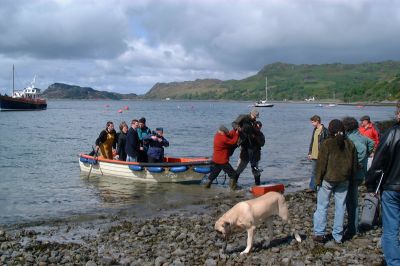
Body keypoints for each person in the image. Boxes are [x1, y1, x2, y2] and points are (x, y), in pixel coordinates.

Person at [365, 105, 400, 266]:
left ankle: (394, 263)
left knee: (391, 230)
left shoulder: (392, 133)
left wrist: (371, 186)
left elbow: (378, 163)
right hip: (392, 186)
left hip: (393, 187)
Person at [313, 119, 358, 244]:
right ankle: (338, 236)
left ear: (331, 130)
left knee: (322, 206)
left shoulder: (327, 143)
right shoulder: (350, 144)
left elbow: (321, 165)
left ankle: (319, 233)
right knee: (340, 207)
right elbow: (354, 165)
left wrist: (317, 181)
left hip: (328, 179)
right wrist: (353, 178)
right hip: (344, 180)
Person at [342, 116, 375, 238]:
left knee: (351, 202)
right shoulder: (361, 135)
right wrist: (366, 156)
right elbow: (371, 143)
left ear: (347, 127)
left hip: (353, 174)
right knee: (351, 200)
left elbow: (361, 149)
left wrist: (358, 163)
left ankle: (353, 228)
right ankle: (352, 226)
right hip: (360, 174)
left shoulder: (351, 138)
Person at [204, 125, 239, 190]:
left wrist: (234, 130)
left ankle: (207, 185)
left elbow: (229, 135)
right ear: (222, 132)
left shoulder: (217, 136)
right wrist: (237, 134)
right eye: (225, 133)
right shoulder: (223, 138)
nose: (226, 134)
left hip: (216, 159)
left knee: (215, 173)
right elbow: (233, 142)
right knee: (233, 174)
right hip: (222, 161)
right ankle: (233, 188)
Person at [236, 120, 265, 185]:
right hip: (245, 154)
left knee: (255, 171)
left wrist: (255, 138)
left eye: (259, 127)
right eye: (257, 127)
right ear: (253, 126)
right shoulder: (247, 131)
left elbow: (262, 143)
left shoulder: (260, 134)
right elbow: (240, 133)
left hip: (255, 155)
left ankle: (257, 185)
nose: (258, 128)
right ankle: (233, 184)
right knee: (239, 169)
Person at [307, 115, 329, 192]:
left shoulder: (325, 131)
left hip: (321, 155)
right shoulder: (315, 130)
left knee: (322, 171)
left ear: (317, 121)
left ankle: (321, 186)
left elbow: (327, 144)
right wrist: (309, 153)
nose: (312, 124)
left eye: (313, 122)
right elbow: (312, 142)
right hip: (313, 155)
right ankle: (312, 187)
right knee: (313, 171)